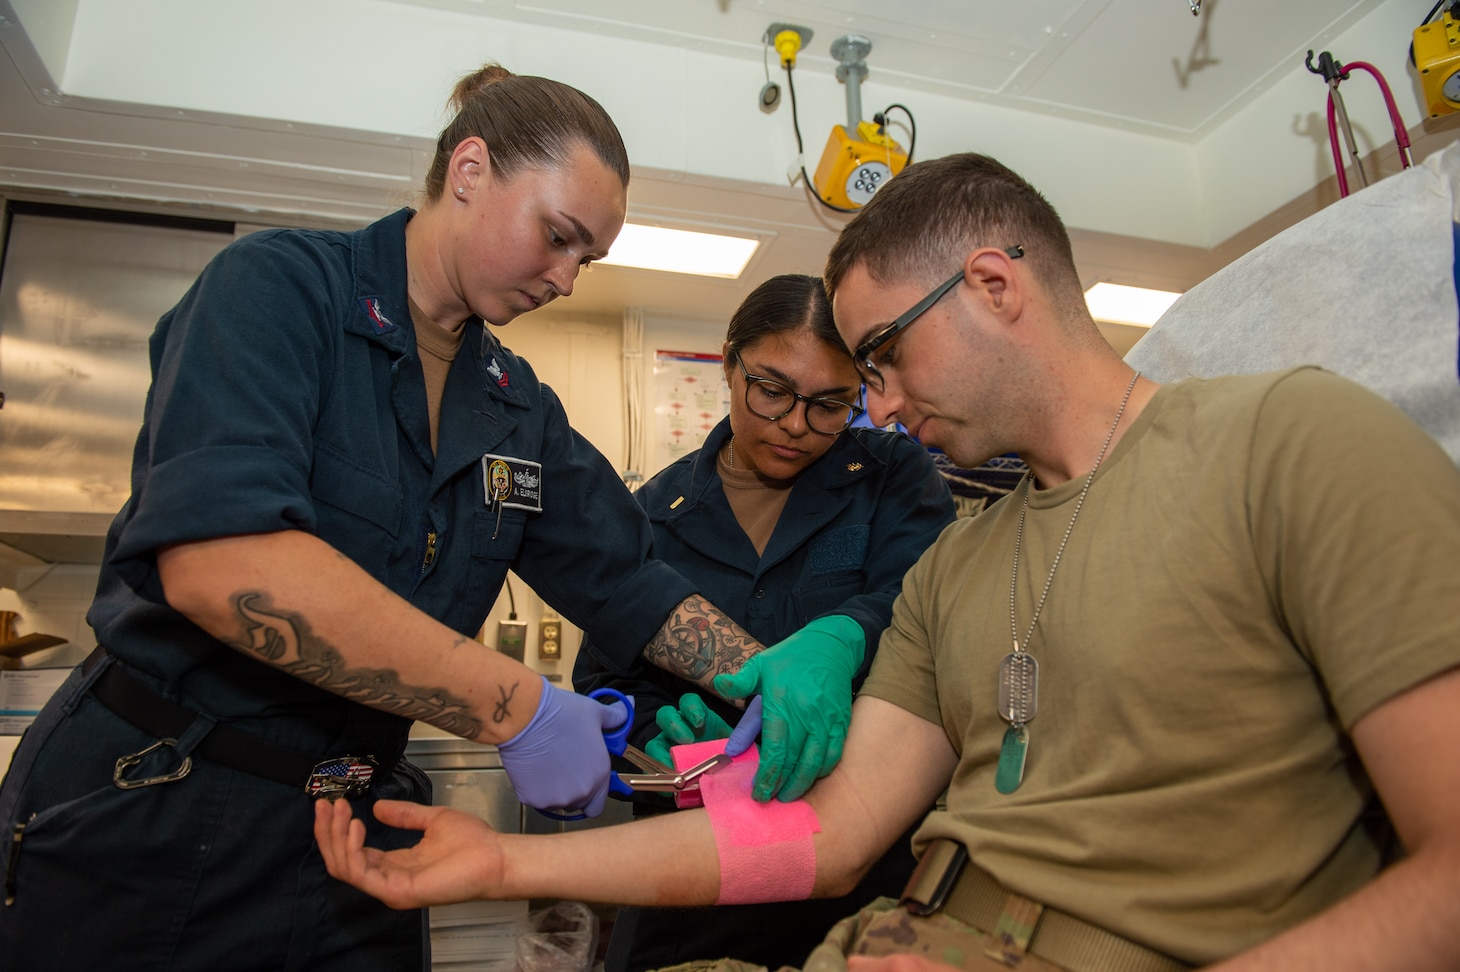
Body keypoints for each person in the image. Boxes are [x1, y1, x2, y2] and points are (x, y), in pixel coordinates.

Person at [314, 152, 1460, 972]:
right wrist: (508, 869)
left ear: (991, 286)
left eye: (880, 360)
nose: (875, 406)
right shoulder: (953, 571)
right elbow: (828, 835)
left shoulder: (1286, 442)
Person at [0, 64, 819, 972]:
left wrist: (768, 679)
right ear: (469, 169)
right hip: (163, 799)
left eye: (585, 259)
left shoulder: (515, 406)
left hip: (359, 822)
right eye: (557, 238)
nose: (566, 279)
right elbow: (225, 568)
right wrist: (518, 709)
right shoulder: (277, 293)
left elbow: (624, 577)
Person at [574, 273, 956, 972]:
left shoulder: (889, 474)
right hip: (699, 874)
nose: (794, 425)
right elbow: (604, 678)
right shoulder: (651, 514)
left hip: (862, 870)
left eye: (830, 404)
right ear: (728, 361)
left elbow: (927, 595)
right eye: (772, 390)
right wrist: (660, 736)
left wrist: (845, 634)